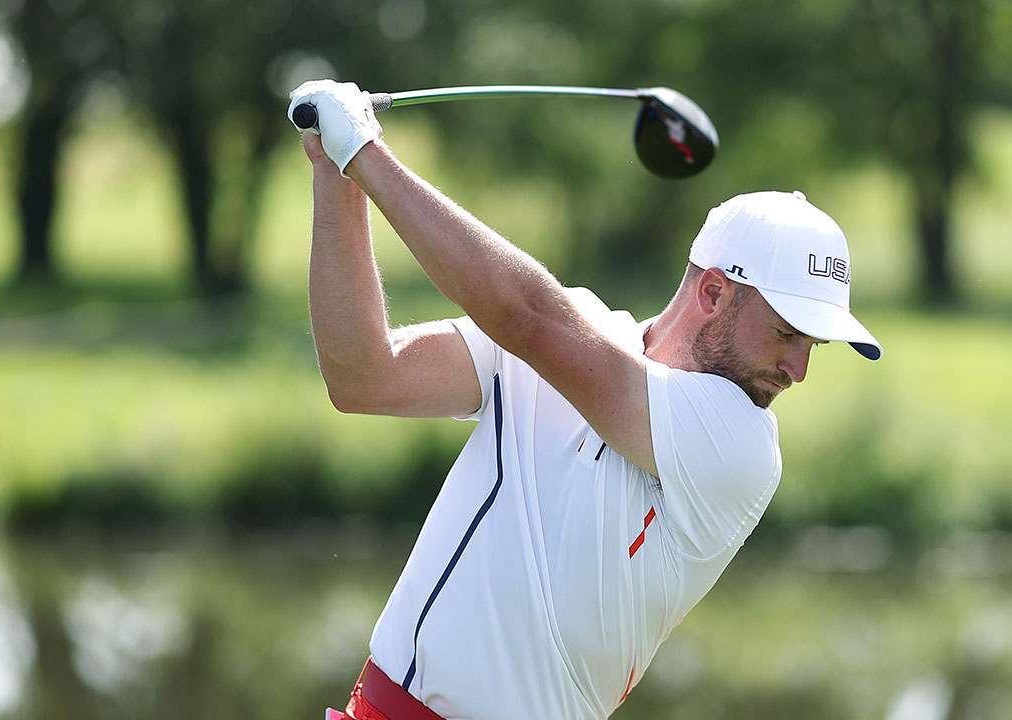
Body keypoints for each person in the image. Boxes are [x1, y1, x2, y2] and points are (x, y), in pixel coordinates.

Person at [288, 79, 882, 720]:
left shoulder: (740, 446)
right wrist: (336, 172)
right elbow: (363, 377)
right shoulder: (572, 333)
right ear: (713, 294)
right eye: (786, 334)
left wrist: (367, 155)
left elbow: (524, 315)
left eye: (813, 346)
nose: (798, 369)